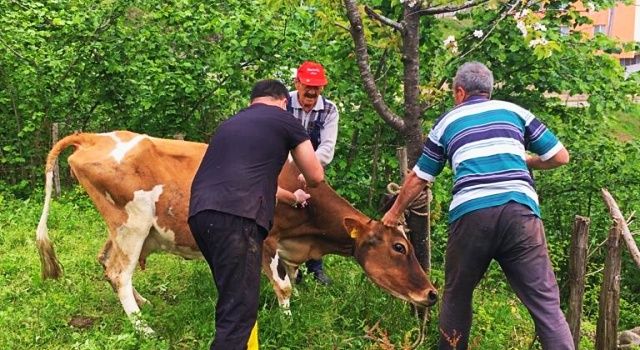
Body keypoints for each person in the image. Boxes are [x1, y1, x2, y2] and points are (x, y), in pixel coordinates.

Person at [382, 62, 573, 349]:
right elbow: (560, 157)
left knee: (457, 296)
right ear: (488, 90)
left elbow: (419, 177)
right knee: (546, 305)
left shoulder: (448, 122)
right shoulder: (515, 112)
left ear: (460, 92)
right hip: (521, 214)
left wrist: (393, 214)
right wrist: (527, 161)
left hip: (471, 215)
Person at [188, 79, 324, 350]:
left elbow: (250, 180)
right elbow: (316, 175)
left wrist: (293, 197)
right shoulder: (284, 120)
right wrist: (306, 181)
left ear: (254, 101)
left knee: (234, 299)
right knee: (238, 313)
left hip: (201, 215)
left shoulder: (229, 125)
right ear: (284, 101)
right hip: (239, 219)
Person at [287, 60, 340, 285]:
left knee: (316, 214)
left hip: (313, 172)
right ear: (297, 83)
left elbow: (327, 147)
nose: (311, 91)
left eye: (316, 86)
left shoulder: (329, 109)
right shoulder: (282, 104)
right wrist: (290, 170)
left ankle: (315, 266)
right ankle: (284, 263)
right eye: (307, 85)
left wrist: (308, 169)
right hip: (281, 166)